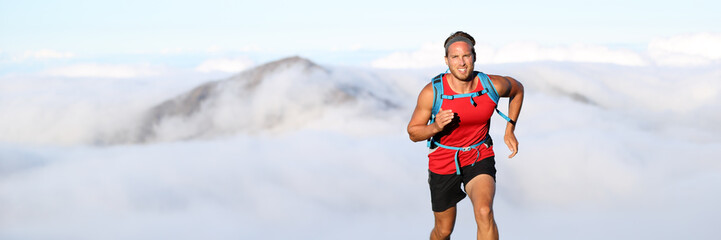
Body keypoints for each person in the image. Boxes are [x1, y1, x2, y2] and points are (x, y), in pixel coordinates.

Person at [407, 31, 524, 240]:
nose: (461, 62)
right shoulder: (433, 92)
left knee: (484, 211)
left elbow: (518, 90)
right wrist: (435, 126)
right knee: (443, 231)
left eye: (466, 56)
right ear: (446, 60)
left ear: (474, 57)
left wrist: (510, 129)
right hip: (443, 160)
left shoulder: (491, 85)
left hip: (479, 154)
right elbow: (413, 132)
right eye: (455, 57)